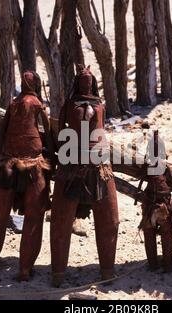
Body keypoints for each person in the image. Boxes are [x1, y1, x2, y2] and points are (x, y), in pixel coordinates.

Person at [0, 71, 54, 281]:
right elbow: (47, 133)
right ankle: (23, 268)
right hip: (31, 165)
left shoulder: (14, 104)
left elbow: (2, 133)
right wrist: (52, 161)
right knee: (33, 216)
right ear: (36, 85)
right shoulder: (35, 104)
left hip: (10, 164)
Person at [50, 65, 119, 287]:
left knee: (110, 221)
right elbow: (61, 132)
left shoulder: (100, 105)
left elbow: (103, 131)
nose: (86, 83)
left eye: (89, 80)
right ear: (77, 82)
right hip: (71, 165)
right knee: (61, 221)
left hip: (99, 165)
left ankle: (108, 271)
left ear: (94, 83)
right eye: (82, 80)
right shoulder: (69, 105)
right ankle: (58, 273)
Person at [137, 131, 172, 273]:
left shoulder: (164, 166)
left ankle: (168, 264)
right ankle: (153, 263)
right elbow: (142, 179)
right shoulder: (149, 166)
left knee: (166, 233)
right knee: (149, 231)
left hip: (164, 202)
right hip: (150, 201)